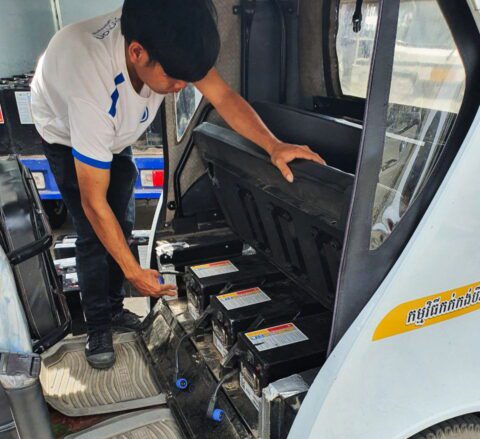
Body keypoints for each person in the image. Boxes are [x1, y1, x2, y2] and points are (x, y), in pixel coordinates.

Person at [31, 0, 325, 370]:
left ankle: (116, 308)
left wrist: (273, 145)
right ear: (137, 53)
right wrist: (133, 272)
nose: (182, 86)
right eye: (174, 79)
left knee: (120, 223)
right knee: (95, 232)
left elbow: (224, 97)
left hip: (114, 134)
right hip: (66, 133)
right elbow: (93, 202)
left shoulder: (169, 39)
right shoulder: (92, 86)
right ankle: (99, 325)